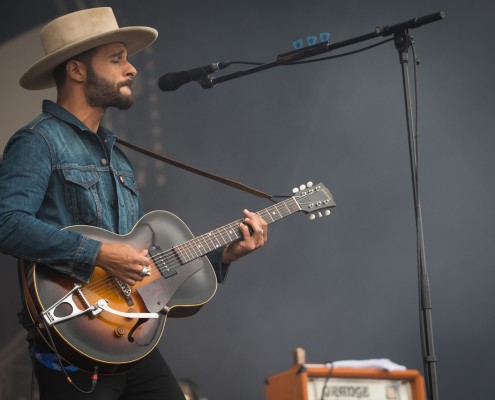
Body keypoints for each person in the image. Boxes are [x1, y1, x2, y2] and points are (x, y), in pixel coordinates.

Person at [0, 7, 267, 400]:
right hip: (74, 340)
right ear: (76, 71)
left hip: (129, 338)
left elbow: (141, 264)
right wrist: (98, 254)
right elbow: (6, 222)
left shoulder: (119, 157)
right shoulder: (38, 142)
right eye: (116, 59)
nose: (132, 69)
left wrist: (222, 257)